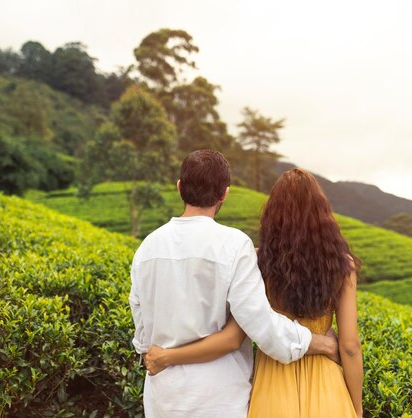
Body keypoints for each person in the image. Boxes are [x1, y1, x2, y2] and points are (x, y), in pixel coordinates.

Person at [129, 151, 339, 418]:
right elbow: (261, 324)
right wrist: (323, 344)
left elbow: (142, 331)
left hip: (163, 398)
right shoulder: (234, 246)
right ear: (224, 194)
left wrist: (164, 356)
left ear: (180, 187)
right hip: (218, 399)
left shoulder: (147, 247)